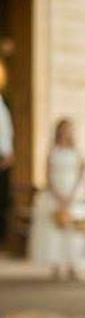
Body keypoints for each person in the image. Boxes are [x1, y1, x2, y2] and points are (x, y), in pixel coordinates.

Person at [28, 118, 85, 280]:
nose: (66, 132)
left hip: (73, 193)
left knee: (74, 230)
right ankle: (57, 265)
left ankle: (74, 265)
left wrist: (73, 194)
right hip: (55, 193)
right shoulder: (52, 151)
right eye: (63, 129)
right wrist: (58, 195)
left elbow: (82, 173)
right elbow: (47, 176)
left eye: (68, 129)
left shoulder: (77, 151)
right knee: (54, 229)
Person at [0, 60, 14, 245]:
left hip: (3, 156)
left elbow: (7, 131)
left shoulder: (4, 103)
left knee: (2, 201)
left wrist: (9, 153)